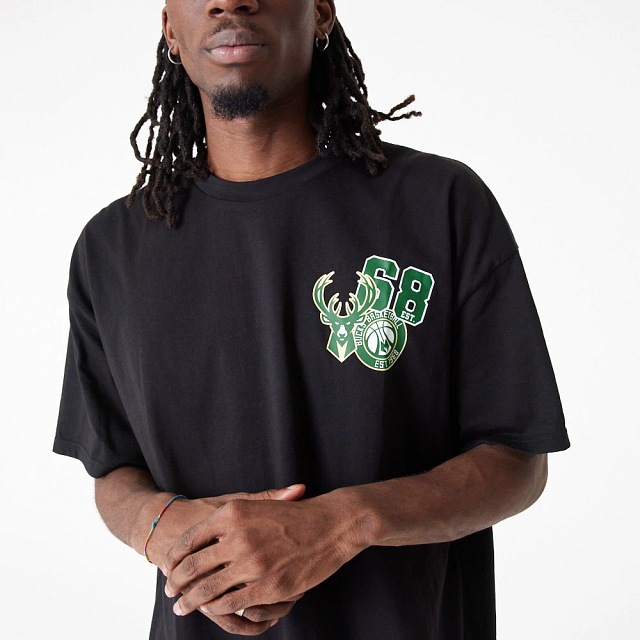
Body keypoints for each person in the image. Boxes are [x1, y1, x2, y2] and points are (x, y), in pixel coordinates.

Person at [52, 1, 571, 638]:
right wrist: (158, 526)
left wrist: (341, 524)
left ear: (321, 13)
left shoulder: (439, 203)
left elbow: (517, 460)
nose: (230, 1)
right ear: (171, 30)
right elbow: (112, 469)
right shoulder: (111, 249)